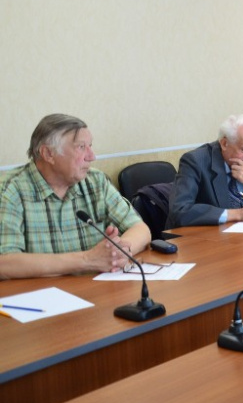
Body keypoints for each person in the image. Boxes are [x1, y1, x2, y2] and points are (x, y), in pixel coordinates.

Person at [0, 114, 151, 279]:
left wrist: (120, 252)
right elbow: (4, 263)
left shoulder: (96, 181)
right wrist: (87, 260)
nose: (92, 156)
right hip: (41, 292)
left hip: (96, 288)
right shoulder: (10, 190)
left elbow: (140, 229)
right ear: (48, 154)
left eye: (90, 146)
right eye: (81, 147)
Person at [167, 114, 243, 227]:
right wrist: (239, 214)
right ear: (224, 143)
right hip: (202, 237)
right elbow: (180, 210)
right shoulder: (195, 161)